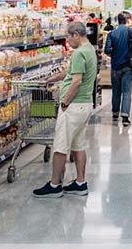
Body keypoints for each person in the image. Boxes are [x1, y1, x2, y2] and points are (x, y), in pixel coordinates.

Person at [33, 22, 98, 198]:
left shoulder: (79, 53)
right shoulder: (89, 49)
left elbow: (76, 80)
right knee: (78, 145)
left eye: (68, 37)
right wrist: (54, 78)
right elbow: (70, 72)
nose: (67, 41)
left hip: (74, 106)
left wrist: (65, 102)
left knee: (60, 146)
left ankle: (54, 185)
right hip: (85, 104)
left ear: (76, 34)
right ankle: (80, 183)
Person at [103, 11, 132, 126]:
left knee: (116, 91)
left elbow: (107, 50)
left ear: (118, 20)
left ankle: (115, 113)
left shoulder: (111, 33)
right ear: (128, 20)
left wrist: (115, 53)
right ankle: (125, 117)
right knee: (126, 92)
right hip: (128, 66)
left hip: (115, 66)